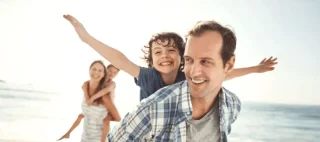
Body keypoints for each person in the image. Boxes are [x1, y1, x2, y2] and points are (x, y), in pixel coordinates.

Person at [63, 14, 278, 102]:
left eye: (171, 50)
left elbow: (223, 74)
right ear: (151, 60)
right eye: (158, 52)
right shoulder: (146, 76)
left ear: (183, 56)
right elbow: (119, 59)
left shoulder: (188, 76)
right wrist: (86, 38)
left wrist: (255, 69)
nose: (164, 56)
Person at [109, 20, 242, 142]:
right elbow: (115, 139)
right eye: (189, 60)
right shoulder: (154, 107)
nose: (194, 72)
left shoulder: (232, 105)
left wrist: (256, 69)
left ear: (228, 65)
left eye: (205, 61)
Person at [58, 61, 121, 142]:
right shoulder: (93, 83)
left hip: (107, 109)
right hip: (87, 133)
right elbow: (85, 86)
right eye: (110, 71)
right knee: (81, 116)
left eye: (114, 73)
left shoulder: (112, 84)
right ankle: (68, 133)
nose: (111, 74)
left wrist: (92, 99)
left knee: (105, 121)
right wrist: (89, 98)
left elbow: (105, 91)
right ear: (106, 71)